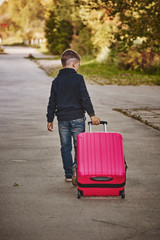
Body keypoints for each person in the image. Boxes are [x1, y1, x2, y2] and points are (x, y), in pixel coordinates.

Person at [46, 49, 100, 184]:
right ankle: (78, 170)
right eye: (78, 66)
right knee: (79, 146)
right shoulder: (78, 78)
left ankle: (69, 174)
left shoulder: (56, 81)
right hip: (77, 117)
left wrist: (49, 119)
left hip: (62, 119)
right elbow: (85, 98)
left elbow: (52, 101)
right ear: (74, 63)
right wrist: (92, 115)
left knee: (65, 147)